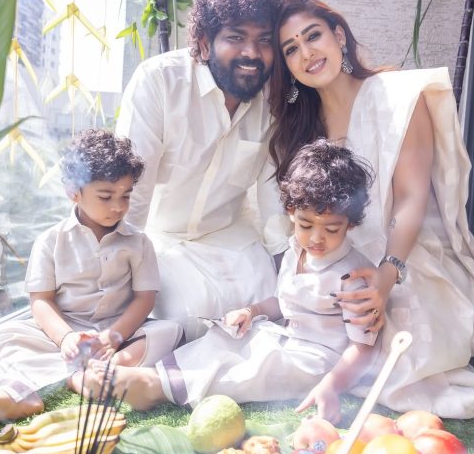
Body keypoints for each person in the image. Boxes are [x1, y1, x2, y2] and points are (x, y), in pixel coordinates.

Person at [266, 0, 474, 419]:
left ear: (339, 35)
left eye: (313, 36)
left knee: (396, 355)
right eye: (291, 49)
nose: (306, 53)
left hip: (406, 252)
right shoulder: (301, 128)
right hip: (340, 253)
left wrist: (386, 274)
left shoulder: (399, 96)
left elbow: (413, 197)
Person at [91, 140, 375, 422]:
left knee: (261, 368)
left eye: (331, 229)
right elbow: (284, 301)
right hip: (286, 339)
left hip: (318, 363)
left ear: (350, 223)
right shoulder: (296, 251)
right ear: (291, 212)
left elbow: (362, 348)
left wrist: (332, 385)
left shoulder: (352, 276)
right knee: (231, 337)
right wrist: (252, 312)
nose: (316, 238)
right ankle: (159, 374)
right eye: (305, 225)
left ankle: (156, 389)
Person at [115, 0, 286, 343]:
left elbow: (273, 195)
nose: (252, 53)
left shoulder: (273, 102)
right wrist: (121, 269)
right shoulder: (159, 81)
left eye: (264, 41)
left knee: (272, 307)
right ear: (205, 44)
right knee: (187, 318)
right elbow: (132, 187)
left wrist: (287, 268)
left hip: (230, 234)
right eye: (236, 38)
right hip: (162, 237)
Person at [0, 129, 182, 421]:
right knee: (8, 337)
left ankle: (109, 370)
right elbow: (41, 301)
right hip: (65, 332)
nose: (118, 206)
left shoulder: (138, 242)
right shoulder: (50, 241)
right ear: (74, 191)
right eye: (105, 197)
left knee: (170, 330)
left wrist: (112, 337)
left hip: (117, 333)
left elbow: (145, 299)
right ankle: (41, 388)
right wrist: (66, 338)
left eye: (125, 196)